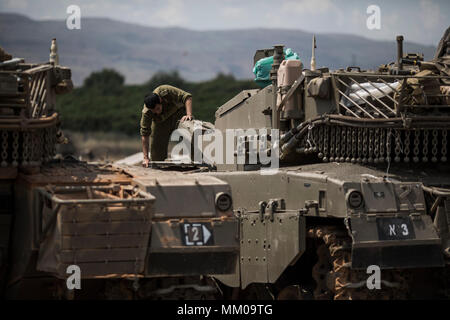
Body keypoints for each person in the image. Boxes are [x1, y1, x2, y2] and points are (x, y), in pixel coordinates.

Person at [140, 84, 193, 167]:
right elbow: (144, 134)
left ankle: (193, 163)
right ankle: (159, 169)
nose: (157, 112)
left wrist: (188, 114)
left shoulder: (166, 91)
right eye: (154, 111)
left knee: (191, 136)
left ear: (160, 100)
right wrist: (145, 158)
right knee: (156, 150)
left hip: (179, 116)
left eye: (157, 109)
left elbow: (187, 97)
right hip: (161, 122)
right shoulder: (147, 112)